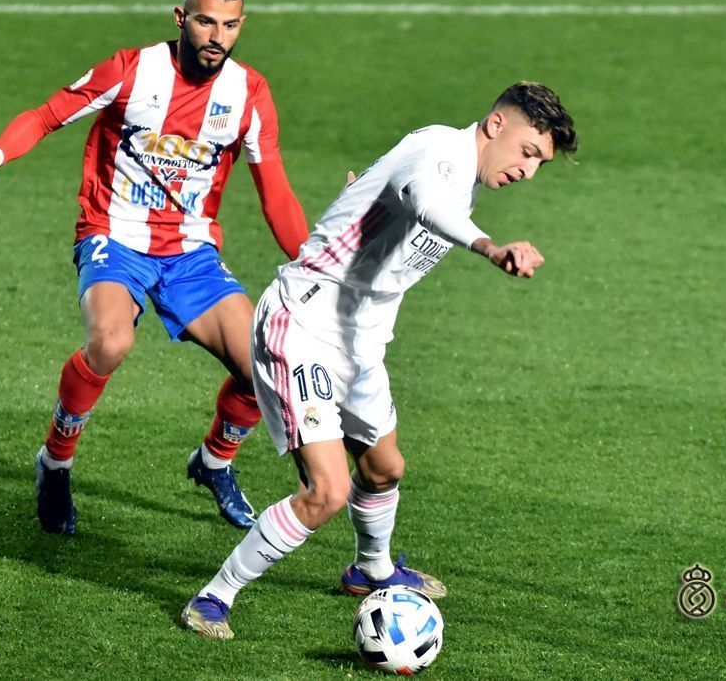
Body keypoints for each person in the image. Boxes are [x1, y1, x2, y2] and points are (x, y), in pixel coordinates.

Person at [181, 82, 578, 638]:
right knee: (327, 491)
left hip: (361, 344)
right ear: (496, 125)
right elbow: (428, 205)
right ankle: (213, 597)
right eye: (528, 152)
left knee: (384, 468)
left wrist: (358, 198)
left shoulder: (463, 177)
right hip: (304, 325)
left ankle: (371, 570)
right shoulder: (439, 153)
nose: (528, 171)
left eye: (540, 163)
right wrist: (491, 248)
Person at [0, 0, 308, 533]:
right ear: (181, 18)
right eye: (206, 21)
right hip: (114, 236)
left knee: (264, 365)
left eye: (231, 25)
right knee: (110, 342)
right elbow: (47, 115)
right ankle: (55, 463)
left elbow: (275, 191)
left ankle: (214, 461)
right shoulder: (131, 70)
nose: (217, 37)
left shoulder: (249, 93)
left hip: (190, 253)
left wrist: (311, 261)